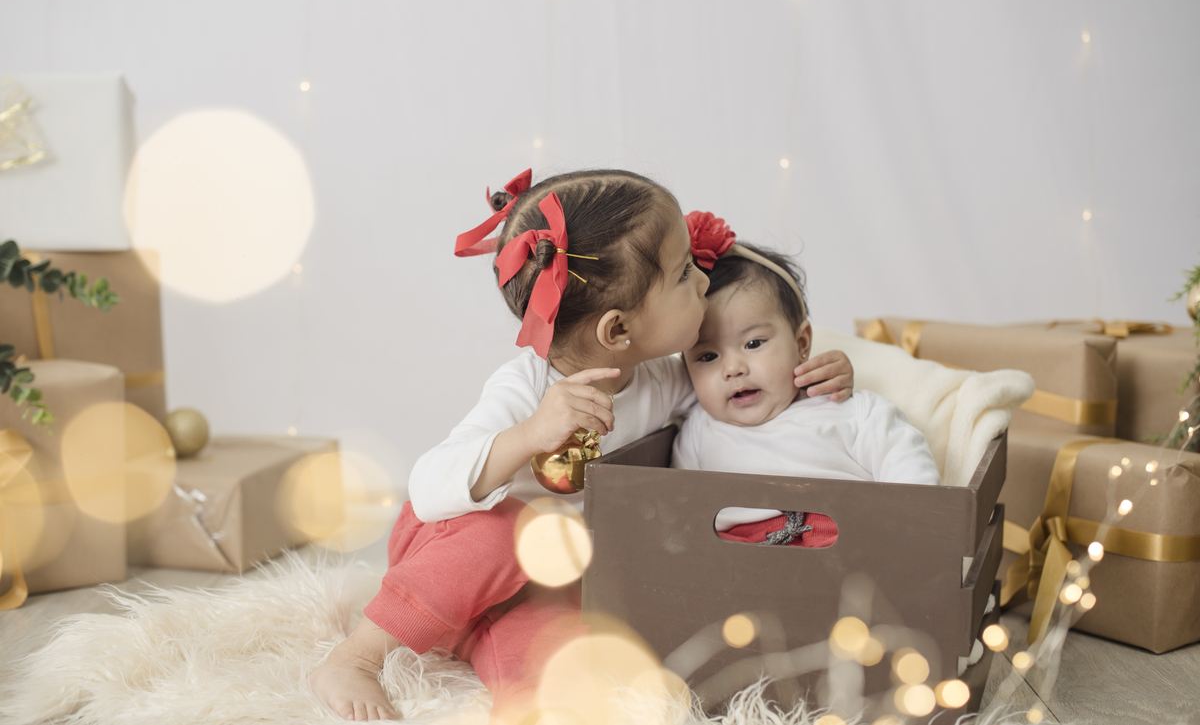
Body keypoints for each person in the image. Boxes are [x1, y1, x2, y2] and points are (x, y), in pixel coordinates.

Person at [310, 172, 857, 723]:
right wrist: (526, 436)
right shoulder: (525, 388)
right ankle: (357, 657)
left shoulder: (663, 380)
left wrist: (811, 372)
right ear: (617, 331)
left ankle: (507, 678)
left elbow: (743, 389)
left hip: (541, 586)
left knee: (569, 658)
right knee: (506, 533)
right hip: (449, 560)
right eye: (686, 272)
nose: (704, 281)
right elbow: (428, 491)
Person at [673, 219, 940, 549]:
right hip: (737, 570)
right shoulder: (699, 430)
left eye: (754, 344)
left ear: (802, 344)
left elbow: (911, 477)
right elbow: (679, 513)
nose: (733, 368)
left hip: (846, 555)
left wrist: (912, 540)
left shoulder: (851, 412)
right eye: (708, 357)